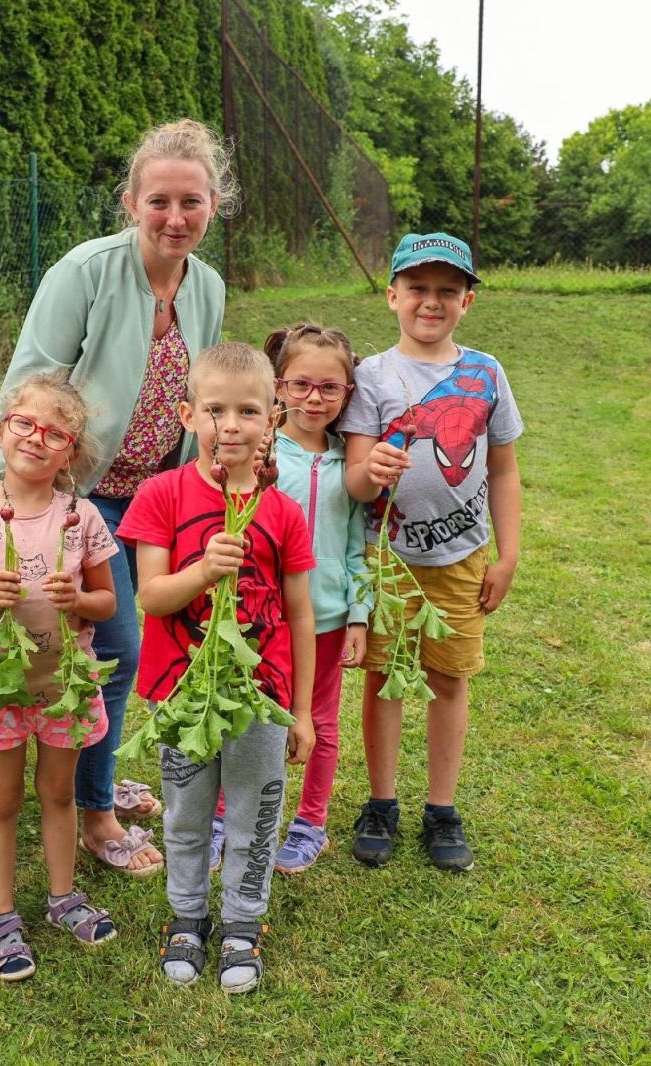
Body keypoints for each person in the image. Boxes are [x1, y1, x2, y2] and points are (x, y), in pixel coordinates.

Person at [0, 119, 236, 874]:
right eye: (158, 201)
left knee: (135, 647)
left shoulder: (209, 287)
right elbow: (29, 388)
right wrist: (18, 503)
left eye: (190, 202)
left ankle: (94, 778)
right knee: (113, 649)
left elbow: (195, 397)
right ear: (130, 202)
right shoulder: (86, 273)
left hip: (155, 496)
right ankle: (94, 818)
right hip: (79, 497)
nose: (174, 218)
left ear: (213, 204)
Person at [118, 342, 316, 994]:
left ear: (272, 421)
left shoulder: (281, 510)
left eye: (248, 411)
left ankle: (242, 923)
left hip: (260, 693)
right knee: (184, 810)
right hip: (183, 692)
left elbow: (299, 614)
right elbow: (150, 596)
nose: (230, 425)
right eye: (214, 410)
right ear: (186, 414)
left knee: (256, 811)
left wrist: (304, 711)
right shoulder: (161, 495)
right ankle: (187, 915)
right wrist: (205, 569)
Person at [340, 232, 523, 873]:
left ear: (467, 301)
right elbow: (354, 479)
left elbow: (502, 470)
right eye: (418, 288)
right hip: (386, 561)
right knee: (386, 679)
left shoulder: (486, 371)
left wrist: (506, 556)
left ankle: (441, 809)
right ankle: (382, 801)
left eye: (448, 291)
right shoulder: (371, 376)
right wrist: (374, 470)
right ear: (392, 295)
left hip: (462, 558)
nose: (431, 302)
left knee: (449, 679)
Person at [0, 372, 120, 980]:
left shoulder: (83, 516)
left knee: (59, 793)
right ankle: (2, 916)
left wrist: (78, 600)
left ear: (72, 450)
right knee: (1, 799)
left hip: (62, 686)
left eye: (55, 433)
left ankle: (63, 897)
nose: (37, 439)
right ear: (1, 429)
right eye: (25, 424)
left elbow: (108, 604)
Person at [264, 324, 371, 875]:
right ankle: (222, 815)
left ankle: (310, 822)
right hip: (262, 616)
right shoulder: (262, 455)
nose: (314, 398)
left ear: (348, 394)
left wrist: (358, 614)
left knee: (322, 720)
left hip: (327, 618)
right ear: (279, 386)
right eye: (301, 384)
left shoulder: (349, 467)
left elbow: (358, 546)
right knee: (254, 717)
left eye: (330, 388)